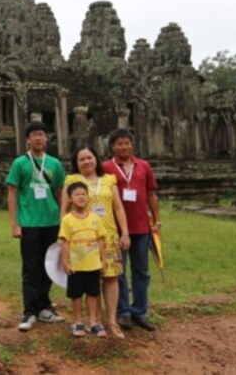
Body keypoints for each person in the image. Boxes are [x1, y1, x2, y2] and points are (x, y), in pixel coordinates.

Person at [60, 146, 130, 339]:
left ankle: (112, 322)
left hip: (108, 234)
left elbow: (118, 208)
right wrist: (65, 236)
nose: (86, 162)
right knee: (88, 278)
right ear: (76, 163)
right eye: (81, 159)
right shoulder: (72, 180)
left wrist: (125, 233)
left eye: (89, 157)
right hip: (83, 238)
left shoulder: (109, 180)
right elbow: (64, 209)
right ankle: (94, 320)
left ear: (96, 159)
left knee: (111, 277)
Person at [6, 120, 66, 332]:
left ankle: (45, 307)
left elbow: (61, 193)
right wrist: (15, 223)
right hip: (30, 223)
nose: (38, 138)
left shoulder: (55, 164)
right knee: (31, 268)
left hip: (52, 222)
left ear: (46, 138)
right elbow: (12, 193)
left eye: (41, 134)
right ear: (27, 139)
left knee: (49, 267)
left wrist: (63, 221)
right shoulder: (20, 163)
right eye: (34, 134)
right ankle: (30, 311)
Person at [102, 128, 161, 332]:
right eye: (119, 143)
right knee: (118, 271)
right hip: (115, 229)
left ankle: (140, 311)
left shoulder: (143, 166)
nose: (123, 147)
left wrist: (157, 221)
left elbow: (152, 194)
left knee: (141, 271)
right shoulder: (106, 167)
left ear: (132, 145)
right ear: (112, 146)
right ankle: (123, 311)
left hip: (142, 226)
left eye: (127, 143)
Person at [59, 182, 107, 337]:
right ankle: (78, 322)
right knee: (76, 294)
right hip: (76, 265)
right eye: (77, 194)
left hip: (93, 265)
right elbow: (65, 242)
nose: (81, 197)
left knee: (93, 293)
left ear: (88, 197)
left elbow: (100, 241)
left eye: (83, 194)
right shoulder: (67, 220)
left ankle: (93, 322)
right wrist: (65, 262)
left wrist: (103, 260)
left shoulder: (95, 219)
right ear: (71, 198)